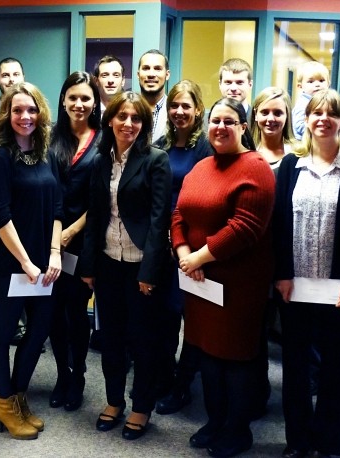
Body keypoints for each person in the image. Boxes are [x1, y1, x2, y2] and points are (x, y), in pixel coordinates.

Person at [172, 97, 275, 457]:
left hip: (237, 285)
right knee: (207, 355)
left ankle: (237, 430)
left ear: (244, 127)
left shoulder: (256, 168)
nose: (220, 127)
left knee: (235, 359)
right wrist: (184, 255)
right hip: (200, 282)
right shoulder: (201, 167)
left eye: (229, 121)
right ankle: (215, 422)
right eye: (215, 120)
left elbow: (245, 227)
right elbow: (178, 214)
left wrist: (198, 257)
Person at [272, 89, 340, 458]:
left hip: (338, 288)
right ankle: (297, 441)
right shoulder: (290, 165)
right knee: (295, 367)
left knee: (335, 368)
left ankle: (328, 444)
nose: (323, 119)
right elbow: (279, 223)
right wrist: (281, 274)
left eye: (332, 113)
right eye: (316, 113)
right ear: (307, 120)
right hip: (295, 285)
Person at [81, 91, 172, 441]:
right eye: (122, 117)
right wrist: (88, 265)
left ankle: (141, 406)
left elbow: (159, 220)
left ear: (144, 124)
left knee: (143, 339)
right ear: (110, 120)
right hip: (108, 262)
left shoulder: (155, 160)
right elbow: (95, 216)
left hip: (140, 266)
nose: (128, 124)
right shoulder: (100, 161)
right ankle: (114, 401)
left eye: (136, 118)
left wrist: (150, 271)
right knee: (112, 338)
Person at [0, 82, 62, 440]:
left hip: (45, 265)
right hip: (10, 265)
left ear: (41, 113)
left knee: (38, 332)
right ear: (7, 114)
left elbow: (58, 207)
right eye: (17, 110)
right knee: (3, 333)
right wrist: (26, 263)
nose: (25, 116)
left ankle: (18, 396)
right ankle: (3, 402)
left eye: (31, 109)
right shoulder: (1, 158)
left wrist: (54, 253)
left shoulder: (47, 154)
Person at [152, 79, 213, 416]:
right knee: (164, 316)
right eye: (174, 105)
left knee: (191, 315)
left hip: (192, 245)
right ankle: (164, 376)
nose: (179, 111)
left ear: (198, 109)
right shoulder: (160, 144)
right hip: (161, 244)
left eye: (185, 106)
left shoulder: (205, 147)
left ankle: (183, 385)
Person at [47, 71, 102, 412]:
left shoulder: (104, 140)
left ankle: (78, 374)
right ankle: (61, 375)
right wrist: (57, 236)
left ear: (94, 102)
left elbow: (104, 197)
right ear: (63, 100)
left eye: (85, 98)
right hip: (50, 240)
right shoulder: (50, 137)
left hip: (84, 241)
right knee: (53, 313)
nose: (79, 104)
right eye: (73, 97)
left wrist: (71, 232)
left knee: (77, 312)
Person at [251, 86, 297, 170]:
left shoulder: (298, 154)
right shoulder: (245, 153)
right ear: (255, 114)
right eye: (265, 113)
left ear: (287, 115)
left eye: (277, 113)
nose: (271, 119)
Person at [291, 60, 330, 140]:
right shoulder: (303, 104)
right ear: (300, 86)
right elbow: (299, 125)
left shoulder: (327, 102)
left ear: (328, 84)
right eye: (311, 82)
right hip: (302, 142)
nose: (317, 85)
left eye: (321, 80)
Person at [137, 50, 170, 141]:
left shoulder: (176, 112)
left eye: (157, 69)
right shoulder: (126, 109)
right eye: (146, 68)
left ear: (167, 75)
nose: (151, 74)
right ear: (138, 74)